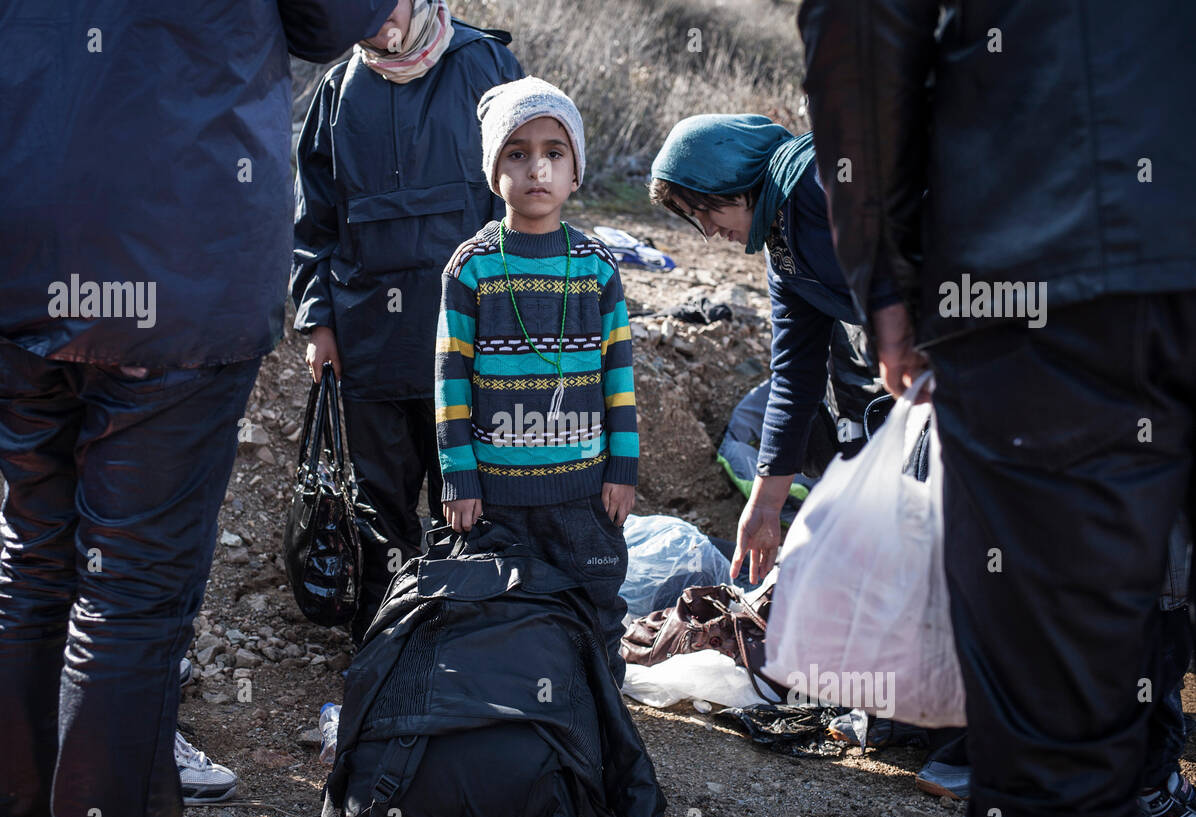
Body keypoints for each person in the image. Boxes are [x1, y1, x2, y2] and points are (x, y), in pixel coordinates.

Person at [0, 0, 392, 817]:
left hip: (10, 247)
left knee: (36, 554)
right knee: (130, 595)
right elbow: (335, 17)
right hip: (181, 250)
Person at [799, 0, 1196, 817]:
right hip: (1081, 254)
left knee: (1060, 770)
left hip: (1058, 261)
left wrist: (886, 278)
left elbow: (864, 28)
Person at [292, 0, 523, 646]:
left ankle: (467, 661)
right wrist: (318, 325)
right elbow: (313, 228)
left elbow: (532, 204)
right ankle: (384, 656)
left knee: (472, 510)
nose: (378, 24)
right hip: (370, 352)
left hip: (473, 351)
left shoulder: (486, 68)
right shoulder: (337, 93)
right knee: (379, 520)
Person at [435, 77, 637, 685]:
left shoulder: (597, 266)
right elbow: (450, 380)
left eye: (554, 152)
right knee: (498, 617)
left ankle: (597, 726)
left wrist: (622, 468)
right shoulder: (471, 267)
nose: (536, 169)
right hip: (496, 495)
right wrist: (459, 475)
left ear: (575, 171)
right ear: (492, 171)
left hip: (583, 493)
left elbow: (618, 376)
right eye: (516, 153)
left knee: (594, 611)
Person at [647, 115, 895, 585]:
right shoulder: (781, 249)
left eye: (703, 211)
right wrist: (764, 505)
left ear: (728, 180)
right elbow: (795, 374)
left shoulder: (817, 181)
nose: (709, 232)